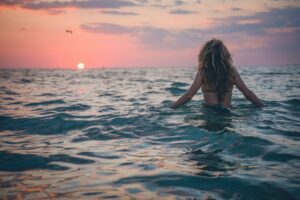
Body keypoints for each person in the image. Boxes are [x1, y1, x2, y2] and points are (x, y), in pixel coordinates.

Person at [170, 38, 264, 109]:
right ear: (225, 54)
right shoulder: (231, 71)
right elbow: (247, 93)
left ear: (205, 55)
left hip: (210, 112)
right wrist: (263, 106)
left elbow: (189, 95)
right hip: (227, 112)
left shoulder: (203, 72)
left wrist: (172, 107)